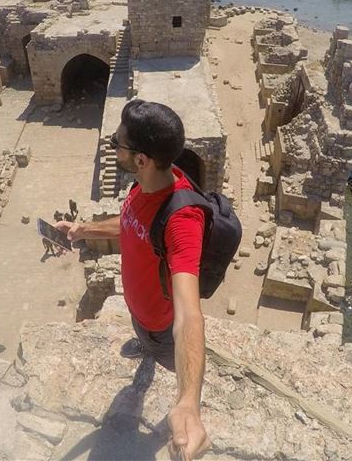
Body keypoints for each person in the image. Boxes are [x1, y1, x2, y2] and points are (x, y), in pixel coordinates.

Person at [55, 100, 210, 460]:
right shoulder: (144, 185)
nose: (112, 146)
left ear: (141, 159)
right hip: (139, 313)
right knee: (143, 337)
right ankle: (146, 348)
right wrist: (84, 230)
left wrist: (188, 404)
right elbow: (130, 224)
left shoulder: (182, 221)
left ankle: (169, 369)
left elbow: (189, 314)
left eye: (116, 143)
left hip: (162, 324)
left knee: (170, 359)